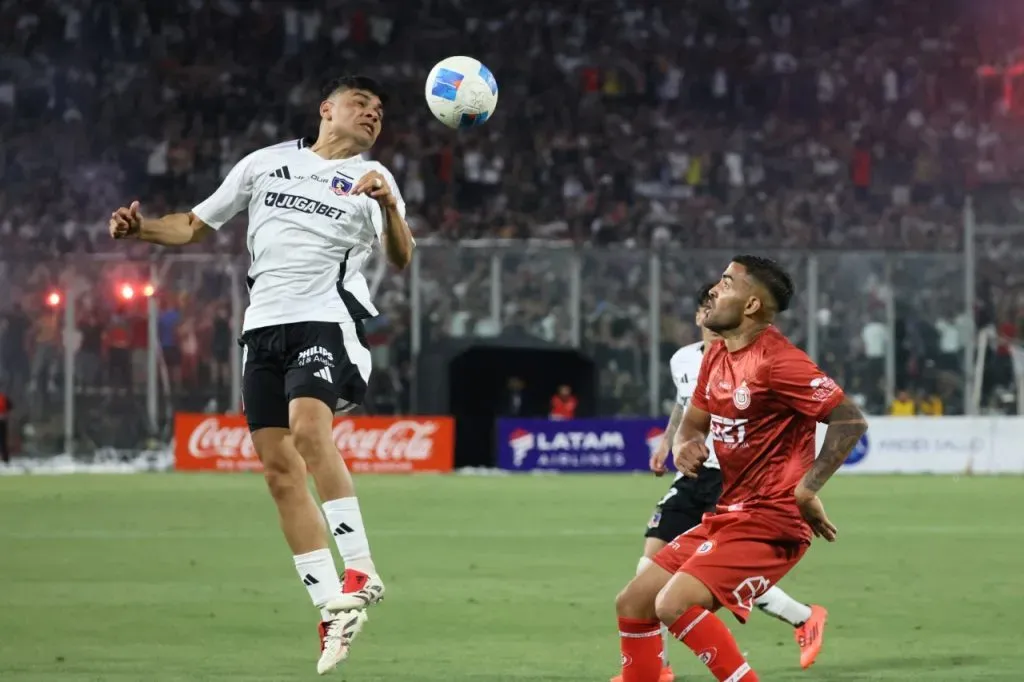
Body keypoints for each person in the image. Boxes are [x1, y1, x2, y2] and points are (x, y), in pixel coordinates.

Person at [108, 75, 414, 675]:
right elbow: (194, 225)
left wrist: (386, 205)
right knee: (278, 473)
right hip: (263, 330)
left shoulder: (374, 179)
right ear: (328, 110)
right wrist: (139, 228)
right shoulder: (265, 165)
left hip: (326, 321)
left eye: (379, 111)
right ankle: (332, 607)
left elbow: (402, 256)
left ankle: (362, 567)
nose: (373, 116)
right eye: (362, 105)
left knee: (307, 428)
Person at [614, 256, 868, 682]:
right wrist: (685, 443)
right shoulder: (717, 357)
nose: (714, 289)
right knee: (634, 601)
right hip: (728, 514)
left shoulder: (779, 362)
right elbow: (693, 421)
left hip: (772, 520)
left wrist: (806, 490)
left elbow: (850, 419)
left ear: (751, 305)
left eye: (727, 282)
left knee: (673, 604)